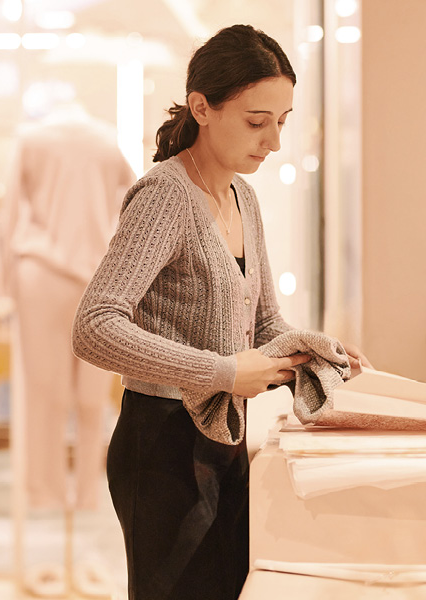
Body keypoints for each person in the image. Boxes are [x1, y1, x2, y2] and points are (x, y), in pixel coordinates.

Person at [72, 24, 371, 600]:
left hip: (223, 440)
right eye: (258, 122)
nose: (274, 141)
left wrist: (312, 347)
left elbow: (263, 326)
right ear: (201, 108)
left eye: (282, 121)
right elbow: (94, 327)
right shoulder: (165, 194)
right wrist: (226, 373)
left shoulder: (243, 196)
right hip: (160, 446)